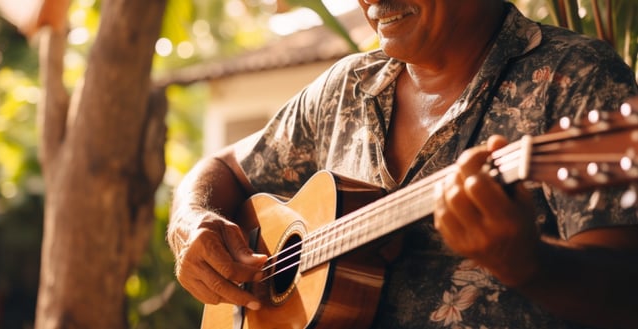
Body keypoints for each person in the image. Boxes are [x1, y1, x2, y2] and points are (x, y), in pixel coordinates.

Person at [167, 0, 638, 327]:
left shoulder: (575, 77)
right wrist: (192, 221)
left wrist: (532, 265)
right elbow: (225, 168)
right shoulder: (345, 88)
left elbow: (626, 292)